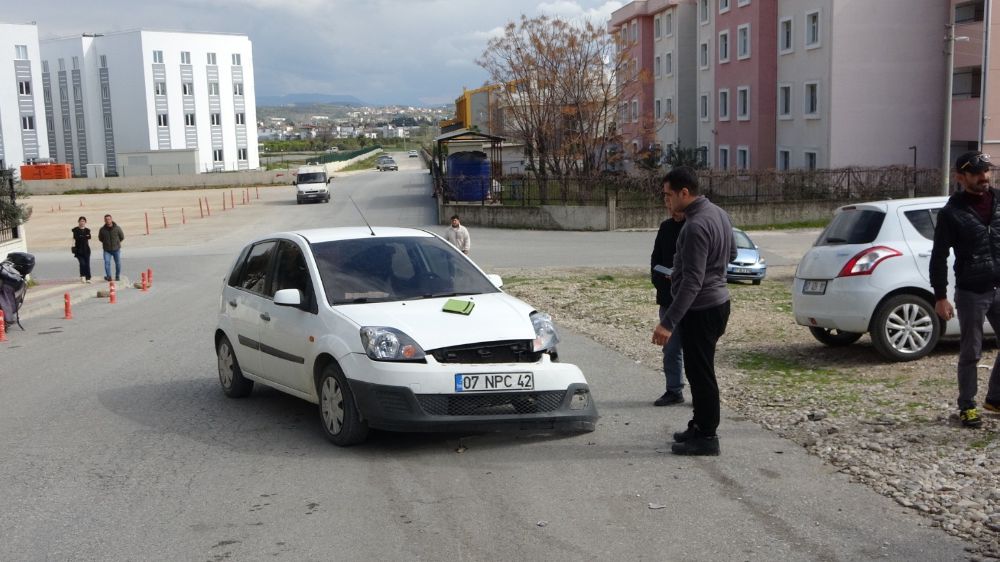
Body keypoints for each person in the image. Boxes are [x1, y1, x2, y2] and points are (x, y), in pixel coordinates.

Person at [652, 166, 735, 456]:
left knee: (701, 374)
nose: (666, 201)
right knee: (699, 370)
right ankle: (698, 426)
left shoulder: (696, 225)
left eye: (668, 195)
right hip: (717, 303)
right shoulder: (719, 214)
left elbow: (693, 282)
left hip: (703, 309)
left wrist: (668, 322)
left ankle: (708, 437)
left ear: (684, 193)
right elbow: (732, 253)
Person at [930, 150, 1000, 428]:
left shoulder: (999, 201)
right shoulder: (952, 212)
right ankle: (967, 406)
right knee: (971, 351)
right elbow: (939, 256)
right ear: (961, 177)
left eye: (987, 171)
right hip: (972, 291)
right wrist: (940, 296)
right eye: (976, 173)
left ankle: (995, 398)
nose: (984, 177)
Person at [650, 202, 685, 406]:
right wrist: (660, 281)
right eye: (670, 208)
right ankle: (674, 390)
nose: (673, 212)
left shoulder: (694, 227)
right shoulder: (665, 227)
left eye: (676, 208)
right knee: (670, 348)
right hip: (668, 299)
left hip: (692, 300)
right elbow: (655, 260)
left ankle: (700, 394)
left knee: (695, 349)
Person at [98, 214, 125, 282]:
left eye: (109, 219)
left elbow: (122, 237)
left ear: (111, 219)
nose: (108, 220)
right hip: (107, 250)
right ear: (104, 220)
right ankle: (109, 276)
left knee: (118, 263)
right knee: (107, 263)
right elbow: (100, 238)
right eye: (106, 219)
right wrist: (106, 243)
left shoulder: (117, 228)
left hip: (116, 249)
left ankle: (117, 276)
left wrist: (117, 243)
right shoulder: (102, 229)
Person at [72, 216, 92, 283]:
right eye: (81, 221)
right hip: (78, 250)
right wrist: (84, 236)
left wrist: (82, 236)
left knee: (87, 264)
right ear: (78, 222)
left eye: (83, 221)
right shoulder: (75, 230)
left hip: (86, 250)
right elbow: (76, 237)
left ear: (85, 222)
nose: (82, 222)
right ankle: (82, 276)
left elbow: (89, 237)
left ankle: (88, 278)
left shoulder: (87, 230)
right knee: (82, 263)